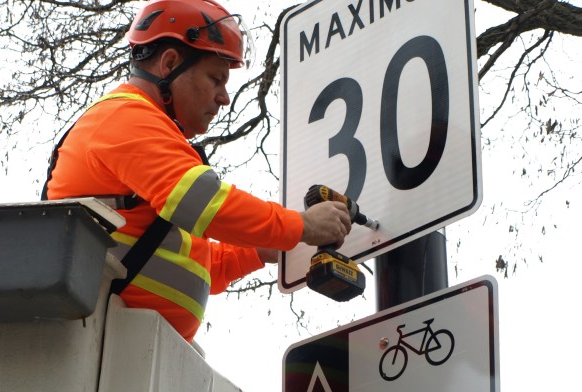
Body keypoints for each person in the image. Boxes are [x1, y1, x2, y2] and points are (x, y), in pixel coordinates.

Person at [43, 0, 351, 342]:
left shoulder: (153, 139)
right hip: (99, 341)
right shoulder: (124, 117)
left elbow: (198, 266)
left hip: (126, 346)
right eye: (216, 79)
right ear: (170, 64)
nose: (224, 98)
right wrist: (301, 226)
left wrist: (259, 250)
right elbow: (206, 203)